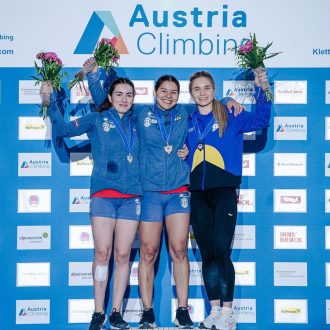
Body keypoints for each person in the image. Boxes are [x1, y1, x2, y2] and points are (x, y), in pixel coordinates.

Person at [84, 60, 243, 328]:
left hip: (179, 191)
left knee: (179, 249)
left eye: (173, 92)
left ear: (179, 95)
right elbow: (108, 106)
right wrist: (92, 78)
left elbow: (209, 103)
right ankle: (148, 312)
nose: (168, 96)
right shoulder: (139, 114)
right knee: (148, 251)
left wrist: (227, 98)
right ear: (154, 93)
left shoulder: (186, 113)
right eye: (163, 91)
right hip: (148, 193)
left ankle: (182, 310)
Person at [40, 78, 142, 330]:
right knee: (102, 253)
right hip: (104, 196)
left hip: (132, 198)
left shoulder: (140, 122)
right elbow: (63, 130)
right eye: (119, 94)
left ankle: (116, 311)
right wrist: (50, 101)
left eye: (129, 95)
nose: (124, 99)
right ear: (109, 96)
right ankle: (98, 312)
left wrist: (226, 101)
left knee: (122, 255)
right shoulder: (97, 119)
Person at [185, 69, 271, 330]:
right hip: (197, 194)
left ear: (214, 90)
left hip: (224, 191)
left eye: (207, 88)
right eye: (197, 89)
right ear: (191, 93)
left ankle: (229, 312)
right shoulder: (188, 121)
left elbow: (260, 120)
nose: (202, 93)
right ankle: (214, 311)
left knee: (222, 251)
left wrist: (262, 88)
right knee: (208, 254)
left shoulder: (229, 113)